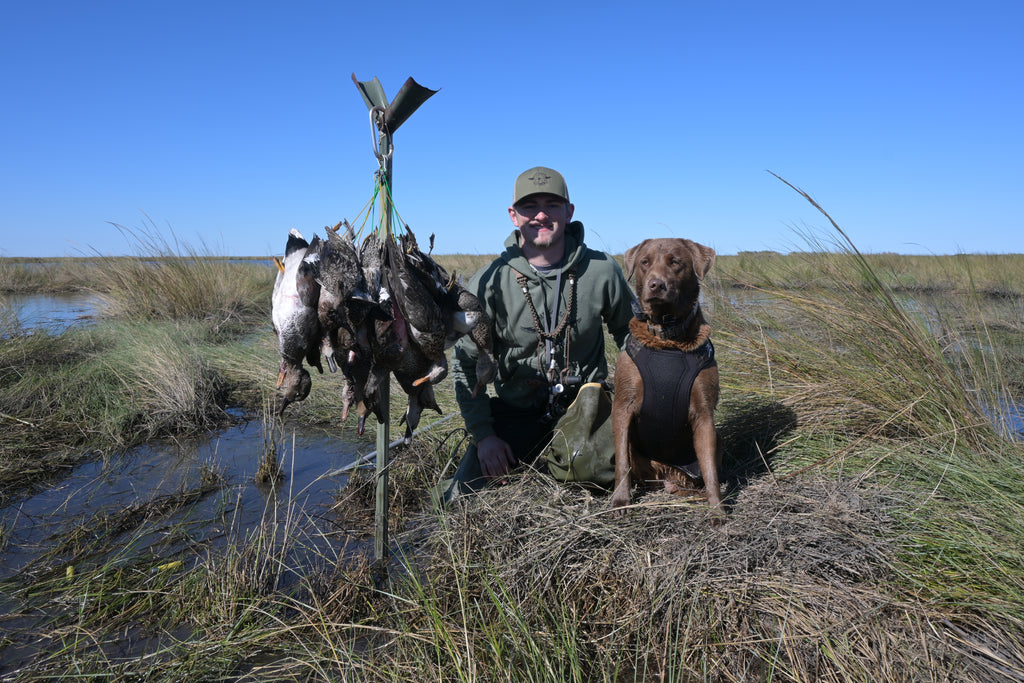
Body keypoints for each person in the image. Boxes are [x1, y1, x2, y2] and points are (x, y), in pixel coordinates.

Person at [443, 166, 634, 501]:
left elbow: (633, 340)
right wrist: (484, 436)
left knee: (595, 475)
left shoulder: (602, 270)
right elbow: (464, 364)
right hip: (516, 409)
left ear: (569, 212)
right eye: (530, 207)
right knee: (460, 498)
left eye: (552, 205)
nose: (541, 215)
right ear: (513, 215)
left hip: (584, 408)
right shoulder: (490, 280)